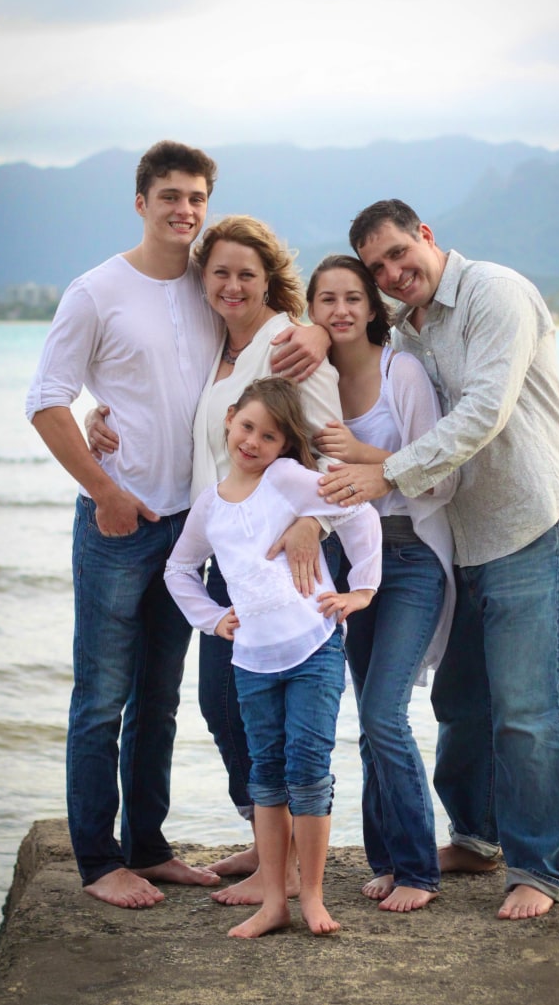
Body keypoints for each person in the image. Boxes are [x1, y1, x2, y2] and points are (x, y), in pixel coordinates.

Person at [26, 141, 326, 909]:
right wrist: (104, 488)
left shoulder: (204, 293)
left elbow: (247, 350)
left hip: (195, 533)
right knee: (101, 699)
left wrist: (316, 331)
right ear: (141, 202)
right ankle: (99, 860)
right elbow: (47, 400)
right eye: (170, 196)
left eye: (196, 197)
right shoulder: (96, 290)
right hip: (121, 525)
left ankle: (148, 846)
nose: (184, 210)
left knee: (159, 700)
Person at [318, 200, 559, 920]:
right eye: (378, 268)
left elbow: (482, 412)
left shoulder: (495, 292)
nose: (393, 272)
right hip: (458, 541)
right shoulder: (409, 331)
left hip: (530, 521)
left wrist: (387, 473)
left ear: (427, 237)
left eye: (400, 254)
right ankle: (476, 836)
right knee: (460, 705)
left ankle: (538, 867)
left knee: (530, 712)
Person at [87, 214, 341, 907]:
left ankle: (280, 866)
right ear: (204, 279)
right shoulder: (209, 346)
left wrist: (314, 521)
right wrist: (101, 419)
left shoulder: (284, 344)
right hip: (222, 553)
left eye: (246, 274)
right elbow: (162, 409)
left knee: (265, 707)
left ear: (269, 281)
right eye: (220, 272)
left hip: (278, 556)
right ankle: (268, 846)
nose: (231, 285)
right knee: (226, 704)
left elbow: (330, 448)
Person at [165, 378, 382, 937]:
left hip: (313, 646)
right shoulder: (209, 504)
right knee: (266, 774)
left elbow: (357, 511)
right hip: (253, 661)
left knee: (308, 769)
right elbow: (178, 569)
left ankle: (311, 896)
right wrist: (212, 620)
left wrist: (362, 589)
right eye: (247, 428)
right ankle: (273, 901)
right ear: (229, 420)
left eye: (270, 435)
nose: (254, 442)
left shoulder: (286, 480)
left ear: (284, 445)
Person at [306, 254, 457, 912]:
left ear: (372, 307)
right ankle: (387, 859)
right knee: (366, 720)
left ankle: (420, 870)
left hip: (411, 557)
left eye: (351, 298)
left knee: (383, 713)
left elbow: (443, 474)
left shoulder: (406, 373)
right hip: (349, 562)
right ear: (310, 311)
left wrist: (364, 454)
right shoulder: (312, 383)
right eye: (325, 300)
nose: (339, 310)